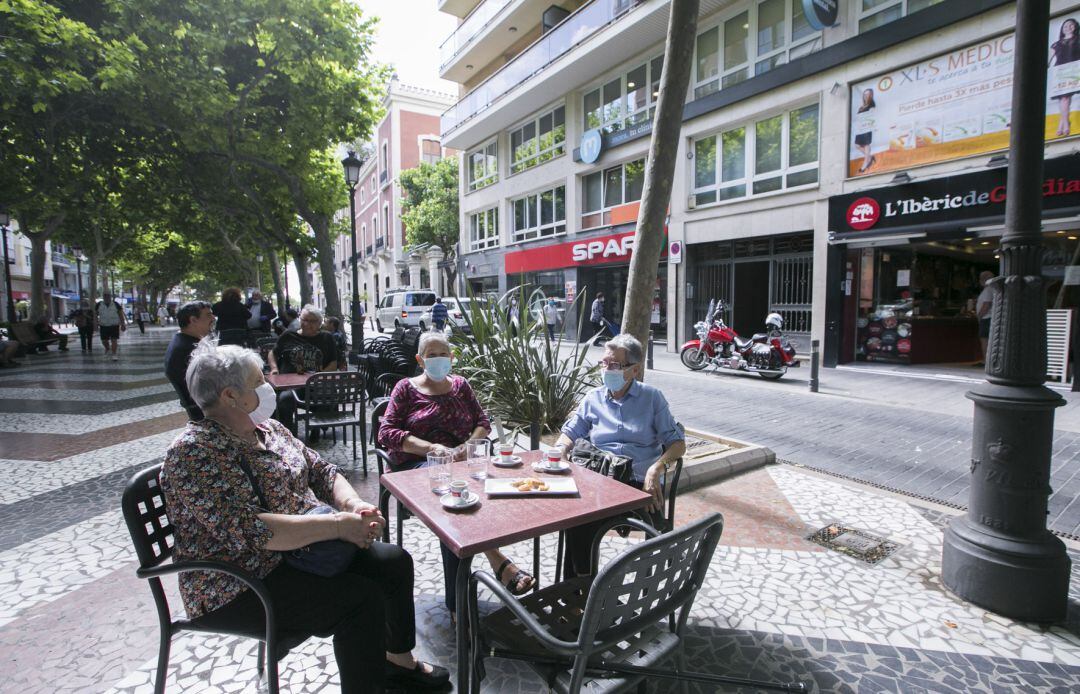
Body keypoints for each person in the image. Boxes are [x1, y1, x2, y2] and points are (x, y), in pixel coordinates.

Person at [160, 341, 449, 693]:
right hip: (239, 581)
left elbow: (321, 470)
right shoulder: (193, 453)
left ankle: (397, 662)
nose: (268, 385)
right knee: (360, 601)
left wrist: (353, 505)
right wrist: (338, 526)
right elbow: (254, 531)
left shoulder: (269, 430)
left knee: (393, 563)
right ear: (230, 396)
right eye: (258, 381)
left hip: (301, 552)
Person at [378, 331, 535, 619]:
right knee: (456, 502)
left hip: (461, 466)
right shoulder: (405, 389)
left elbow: (482, 422)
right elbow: (386, 432)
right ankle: (493, 567)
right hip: (417, 468)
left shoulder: (461, 386)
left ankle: (464, 595)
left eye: (443, 354)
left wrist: (467, 446)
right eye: (431, 355)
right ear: (420, 360)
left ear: (452, 358)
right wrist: (432, 449)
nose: (438, 359)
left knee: (475, 492)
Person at [553, 333, 686, 579]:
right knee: (575, 517)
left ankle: (644, 587)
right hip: (600, 481)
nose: (606, 370)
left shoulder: (652, 398)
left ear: (634, 370)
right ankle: (580, 589)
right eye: (604, 363)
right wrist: (561, 450)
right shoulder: (593, 398)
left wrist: (656, 468)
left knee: (594, 515)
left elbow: (677, 444)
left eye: (614, 365)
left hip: (638, 485)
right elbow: (570, 433)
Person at [267, 305, 339, 436]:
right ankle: (288, 434)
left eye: (312, 321)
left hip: (315, 383)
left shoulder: (327, 337)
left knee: (328, 396)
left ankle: (317, 427)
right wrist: (274, 368)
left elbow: (334, 363)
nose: (307, 324)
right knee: (285, 399)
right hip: (290, 384)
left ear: (319, 323)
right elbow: (272, 353)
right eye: (305, 320)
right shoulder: (289, 335)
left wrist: (319, 375)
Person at [164, 301, 215, 421]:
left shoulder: (183, 340)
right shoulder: (188, 349)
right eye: (208, 315)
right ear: (193, 320)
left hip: (202, 406)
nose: (213, 318)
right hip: (207, 410)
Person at [1050, 18, 1080, 138]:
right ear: (1062, 29)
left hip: (1073, 71)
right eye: (1066, 26)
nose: (1068, 27)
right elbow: (1048, 58)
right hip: (1060, 72)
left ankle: (1064, 125)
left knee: (1066, 97)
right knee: (1063, 98)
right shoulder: (1057, 44)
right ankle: (1064, 123)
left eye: (1071, 25)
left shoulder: (1078, 40)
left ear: (1075, 27)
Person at [96, 293, 127, 361]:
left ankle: (114, 354)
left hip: (114, 325)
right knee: (104, 341)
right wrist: (95, 323)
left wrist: (123, 324)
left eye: (108, 296)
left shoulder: (116, 304)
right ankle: (107, 348)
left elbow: (120, 314)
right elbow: (95, 314)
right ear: (103, 297)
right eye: (105, 296)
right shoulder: (99, 305)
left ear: (110, 297)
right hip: (103, 325)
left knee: (114, 340)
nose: (107, 298)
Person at [853, 88, 877, 174]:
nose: (866, 96)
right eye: (865, 94)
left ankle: (865, 163)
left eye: (868, 94)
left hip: (867, 127)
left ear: (871, 95)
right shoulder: (861, 107)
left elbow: (872, 116)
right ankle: (870, 157)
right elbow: (858, 118)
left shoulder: (872, 106)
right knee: (857, 145)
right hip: (860, 128)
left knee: (866, 144)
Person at [976, 270, 995, 367]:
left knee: (985, 340)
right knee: (987, 340)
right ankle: (987, 360)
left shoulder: (988, 290)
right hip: (988, 318)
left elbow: (986, 305)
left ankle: (986, 361)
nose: (980, 281)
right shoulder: (992, 289)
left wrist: (979, 316)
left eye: (981, 278)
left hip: (986, 318)